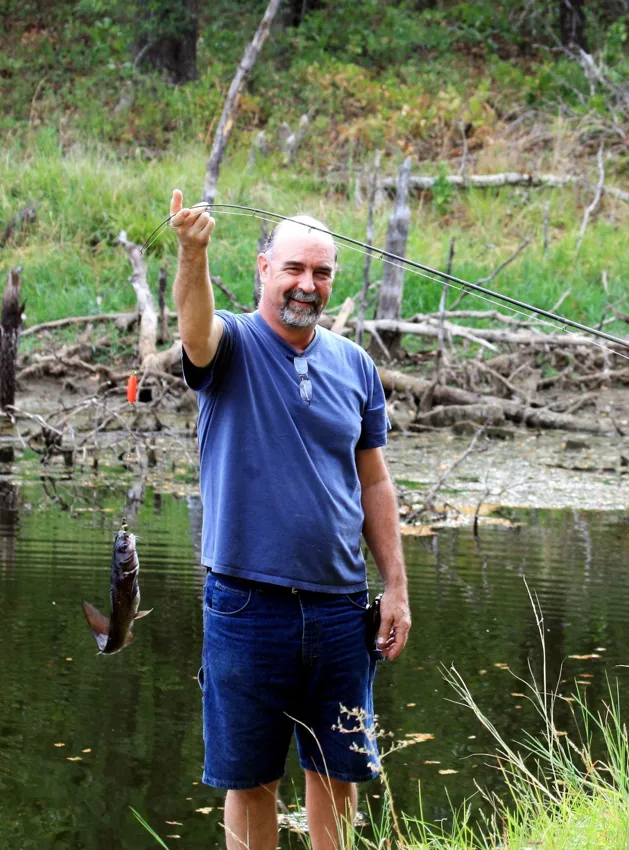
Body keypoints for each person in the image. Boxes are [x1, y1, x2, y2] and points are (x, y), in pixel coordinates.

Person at [169, 190, 411, 850]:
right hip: (247, 606)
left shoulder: (355, 365)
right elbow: (194, 330)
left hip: (339, 609)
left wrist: (395, 586)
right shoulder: (232, 346)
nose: (307, 285)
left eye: (322, 273)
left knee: (338, 775)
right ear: (263, 269)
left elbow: (374, 480)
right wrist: (193, 253)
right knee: (249, 782)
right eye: (294, 269)